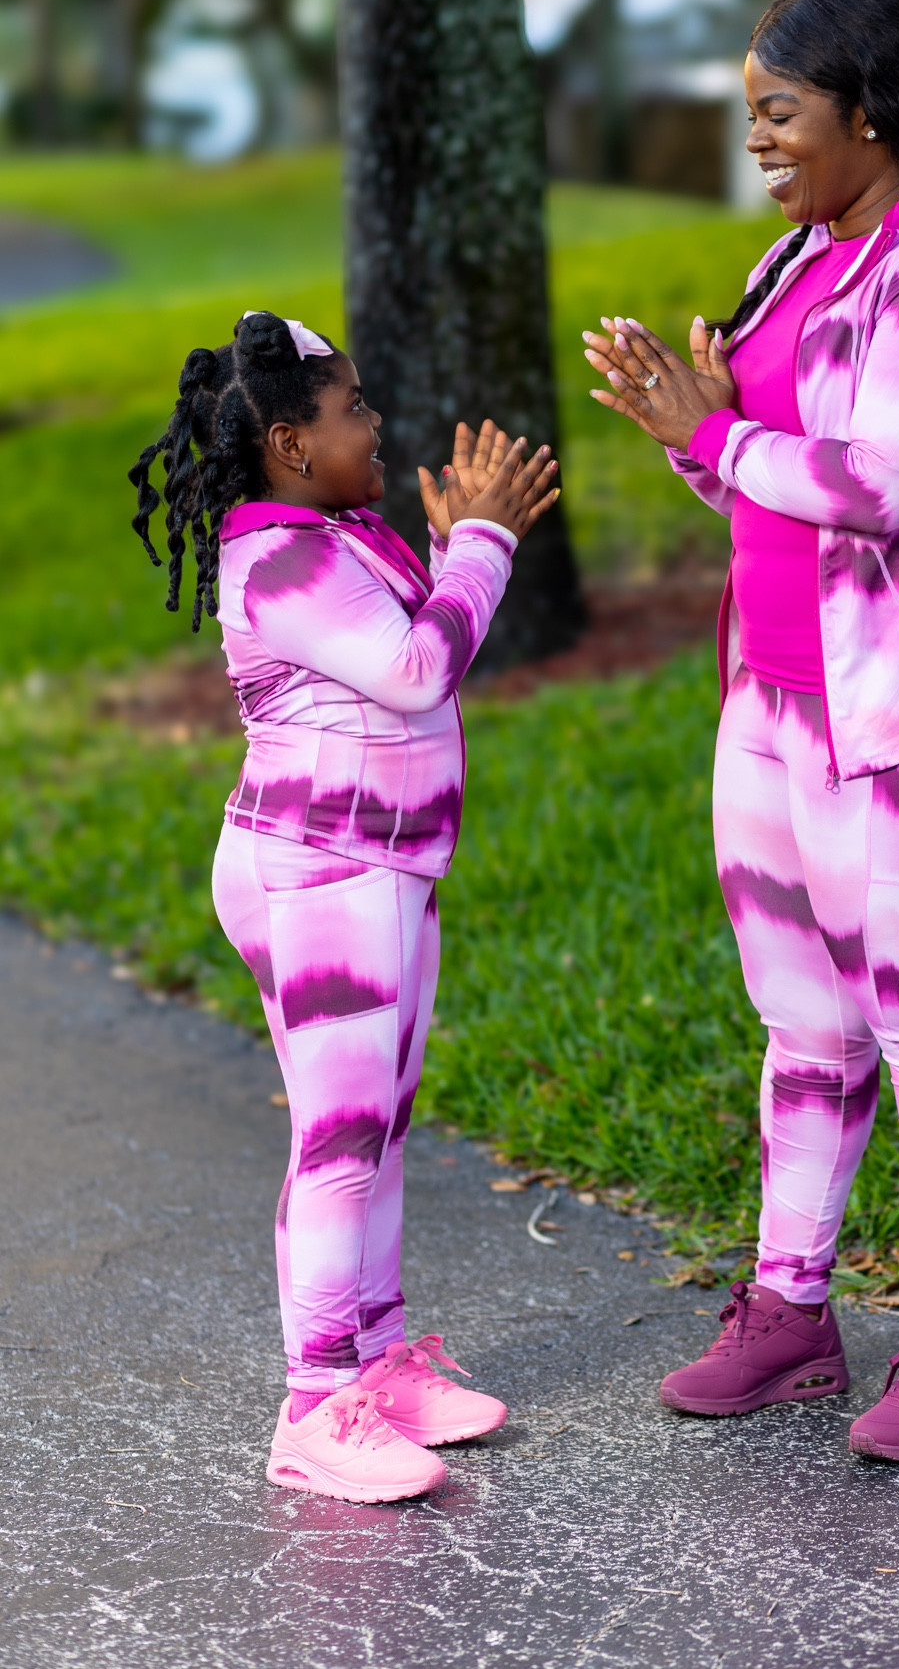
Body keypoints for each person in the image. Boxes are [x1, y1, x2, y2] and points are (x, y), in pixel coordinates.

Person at [582, 0, 899, 1466]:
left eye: (779, 113)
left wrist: (713, 431)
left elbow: (877, 480)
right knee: (804, 1026)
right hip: (778, 696)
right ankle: (791, 1313)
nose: (760, 142)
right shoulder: (792, 254)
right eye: (752, 116)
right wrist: (694, 434)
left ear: (870, 108)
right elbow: (756, 470)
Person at [129, 309, 559, 1503]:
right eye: (352, 411)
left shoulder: (338, 533)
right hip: (320, 867)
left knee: (377, 1131)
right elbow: (422, 671)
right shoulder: (280, 561)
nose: (374, 423)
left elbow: (412, 640)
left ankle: (376, 1356)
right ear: (287, 442)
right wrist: (484, 540)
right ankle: (315, 1405)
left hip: (382, 864)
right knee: (337, 1142)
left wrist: (445, 545)